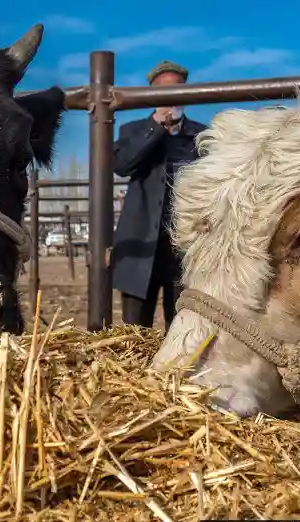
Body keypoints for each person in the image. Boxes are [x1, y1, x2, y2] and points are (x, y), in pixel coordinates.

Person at [110, 60, 206, 330]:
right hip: (141, 242)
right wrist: (155, 127)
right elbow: (122, 166)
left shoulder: (202, 135)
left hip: (185, 243)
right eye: (163, 91)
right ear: (151, 94)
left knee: (182, 322)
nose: (170, 97)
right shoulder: (132, 131)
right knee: (134, 329)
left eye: (176, 90)